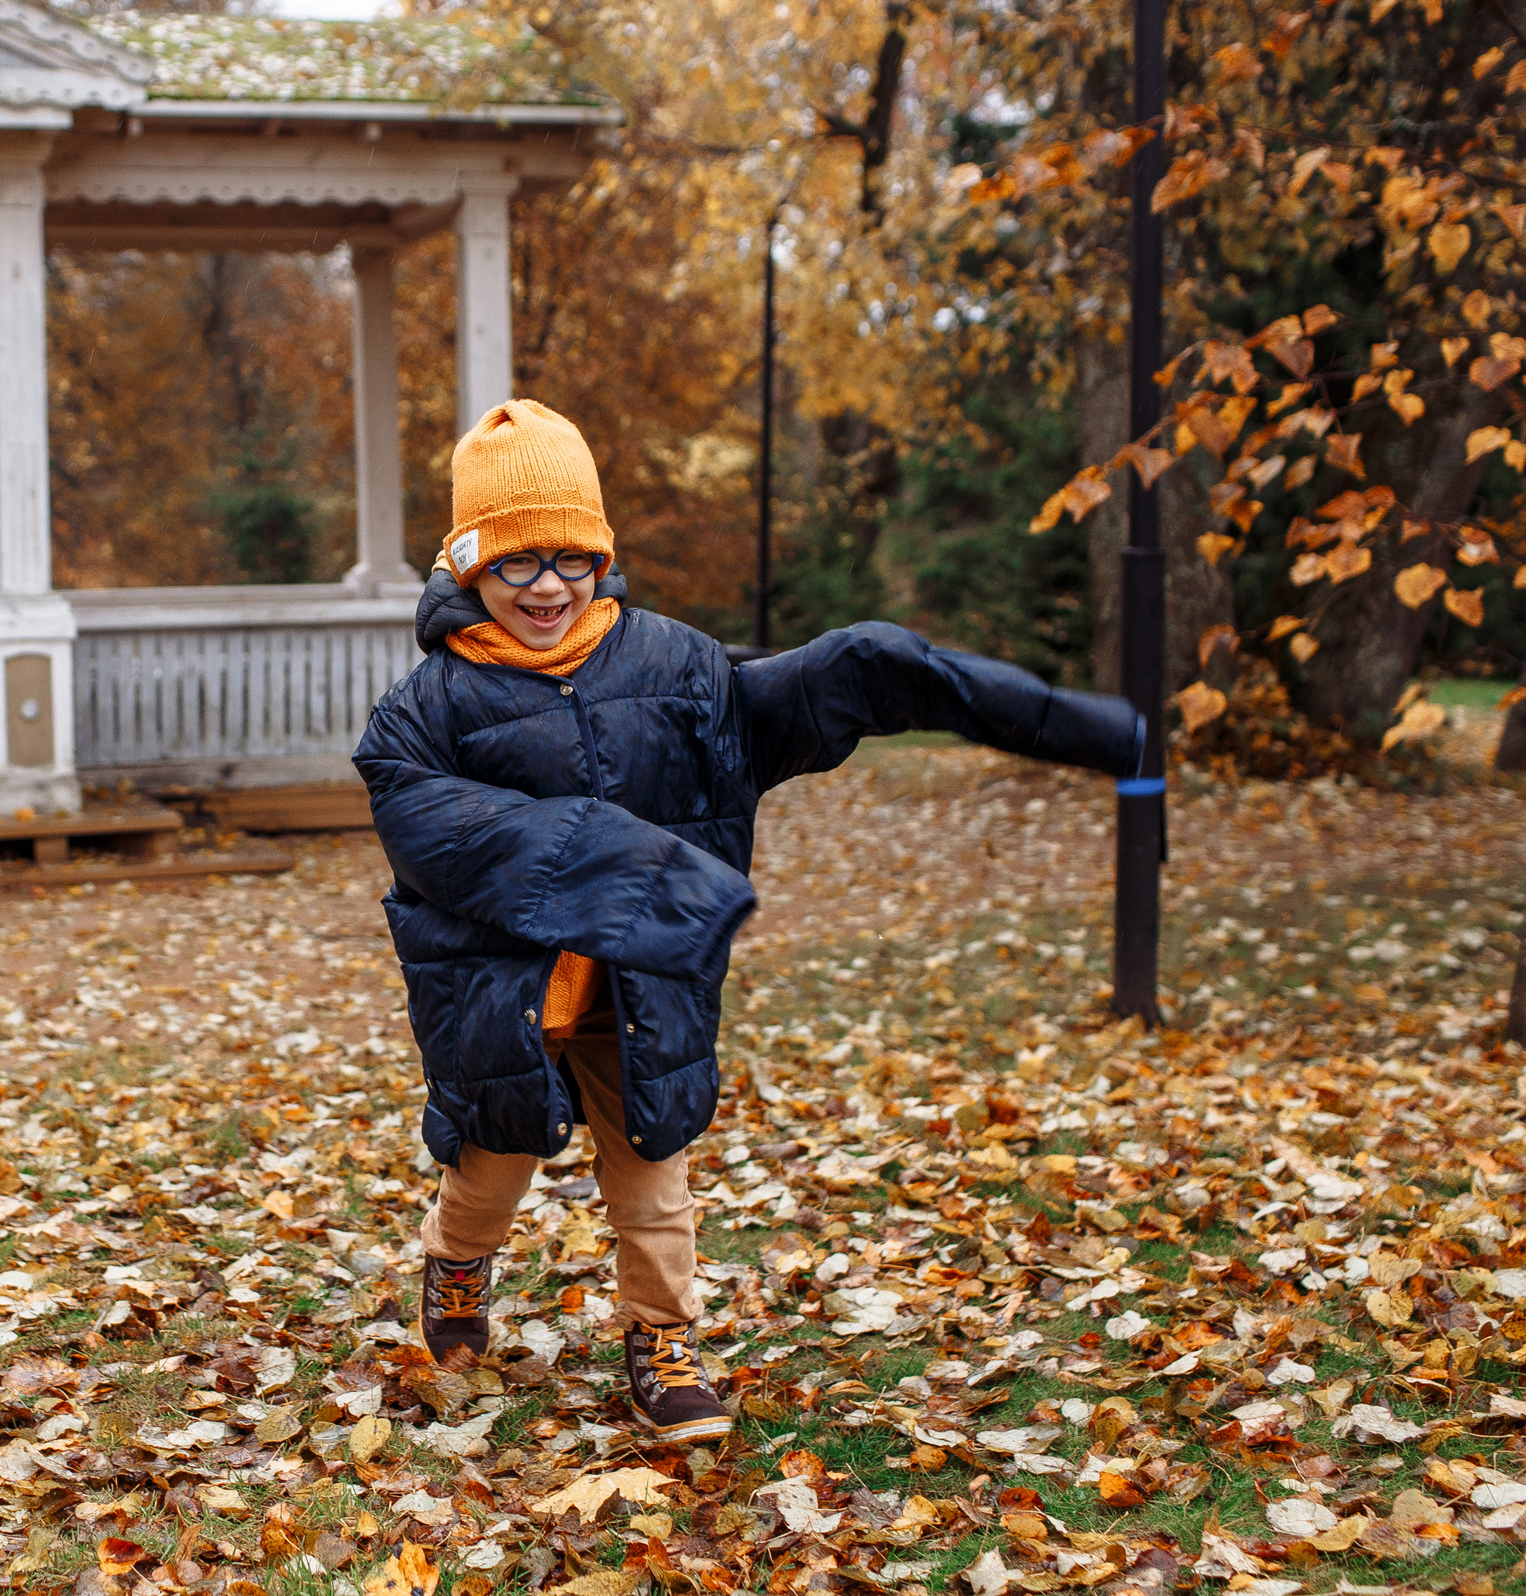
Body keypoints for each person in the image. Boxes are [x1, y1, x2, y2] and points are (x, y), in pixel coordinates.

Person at [353, 400, 1145, 1447]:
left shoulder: (677, 668)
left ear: (603, 555)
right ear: (466, 565)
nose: (548, 585)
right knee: (490, 1166)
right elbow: (433, 826)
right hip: (504, 994)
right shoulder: (429, 708)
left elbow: (762, 716)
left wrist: (868, 671)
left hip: (643, 989)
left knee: (655, 1166)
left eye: (572, 557)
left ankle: (662, 1339)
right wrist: (641, 870)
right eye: (517, 563)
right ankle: (457, 1271)